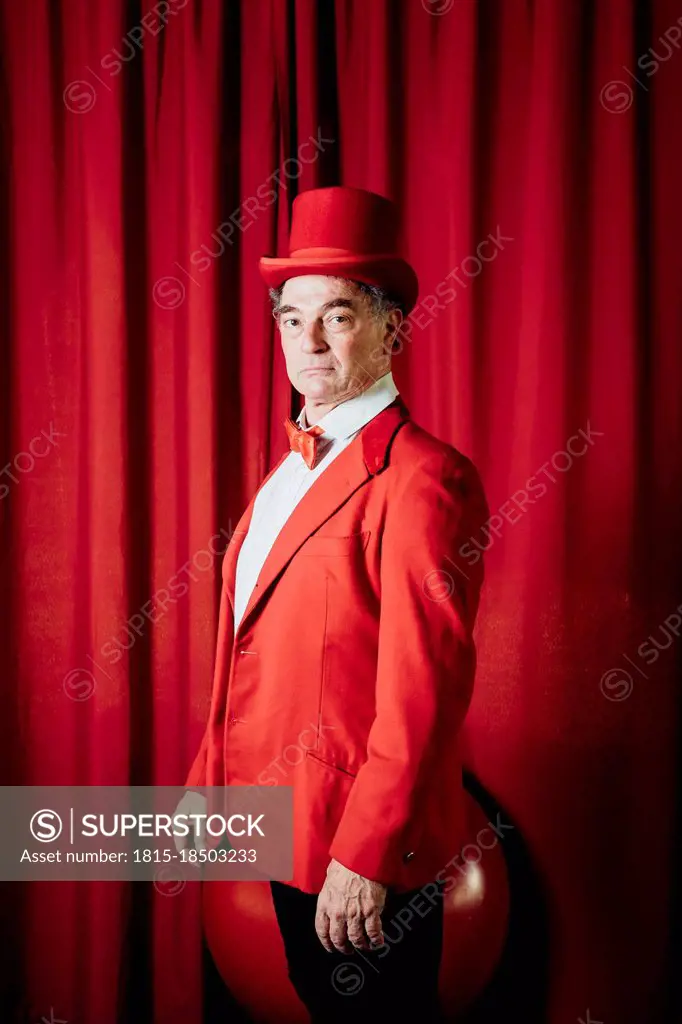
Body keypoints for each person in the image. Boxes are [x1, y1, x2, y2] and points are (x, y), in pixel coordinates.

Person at [179, 186, 490, 1022]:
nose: (308, 341)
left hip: (354, 851)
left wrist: (367, 853)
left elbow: (424, 690)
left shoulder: (428, 478)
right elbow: (251, 649)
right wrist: (209, 787)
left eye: (339, 315)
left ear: (392, 327)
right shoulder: (286, 475)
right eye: (291, 317)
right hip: (279, 828)